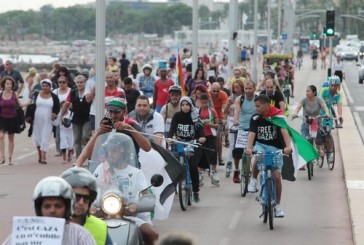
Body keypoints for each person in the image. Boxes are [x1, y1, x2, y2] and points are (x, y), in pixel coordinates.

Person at [93, 134, 158, 245]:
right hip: (103, 214)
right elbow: (92, 189)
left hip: (130, 215)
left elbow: (146, 194)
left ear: (124, 152)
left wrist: (140, 204)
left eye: (115, 150)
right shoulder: (102, 169)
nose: (111, 154)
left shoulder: (136, 173)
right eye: (109, 150)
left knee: (151, 234)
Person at [2, 176, 97, 244]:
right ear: (39, 209)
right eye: (47, 206)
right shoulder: (23, 235)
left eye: (58, 206)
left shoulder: (80, 235)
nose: (52, 210)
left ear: (67, 208)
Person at [245, 95, 292, 218]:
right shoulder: (255, 118)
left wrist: (288, 147)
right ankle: (254, 180)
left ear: (266, 105)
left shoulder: (277, 115)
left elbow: (284, 131)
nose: (256, 109)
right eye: (255, 106)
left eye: (258, 106)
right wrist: (249, 148)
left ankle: (276, 207)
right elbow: (251, 133)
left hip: (276, 148)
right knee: (258, 156)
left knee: (276, 176)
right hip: (261, 145)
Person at [76, 97, 151, 167]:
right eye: (110, 111)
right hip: (109, 169)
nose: (113, 115)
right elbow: (89, 154)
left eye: (116, 112)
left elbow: (147, 148)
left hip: (130, 167)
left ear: (124, 112)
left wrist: (130, 129)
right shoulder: (106, 124)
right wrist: (98, 133)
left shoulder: (132, 124)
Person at [60, 167, 113, 245]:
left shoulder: (99, 227)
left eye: (86, 198)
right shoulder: (51, 226)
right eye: (76, 197)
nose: (81, 202)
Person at [167, 96, 206, 202]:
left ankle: (196, 191)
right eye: (182, 105)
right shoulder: (177, 116)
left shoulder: (195, 117)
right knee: (173, 163)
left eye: (187, 105)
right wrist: (169, 137)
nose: (185, 107)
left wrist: (202, 137)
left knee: (193, 166)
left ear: (191, 106)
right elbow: (172, 129)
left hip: (193, 144)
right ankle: (174, 184)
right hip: (180, 143)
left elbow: (201, 129)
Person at [292, 85, 330, 166]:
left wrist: (327, 113)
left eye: (308, 91)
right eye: (306, 91)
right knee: (303, 141)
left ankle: (319, 149)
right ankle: (302, 163)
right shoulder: (304, 100)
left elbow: (324, 106)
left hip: (317, 123)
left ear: (314, 92)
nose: (307, 93)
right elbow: (298, 107)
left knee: (320, 135)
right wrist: (295, 113)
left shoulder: (319, 99)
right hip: (306, 123)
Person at [231, 81, 257, 183]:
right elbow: (237, 111)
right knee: (237, 150)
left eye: (250, 89)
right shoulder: (240, 99)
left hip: (253, 128)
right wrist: (235, 120)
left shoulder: (257, 99)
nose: (248, 91)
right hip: (241, 127)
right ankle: (237, 169)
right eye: (246, 89)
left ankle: (253, 170)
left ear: (254, 89)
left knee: (254, 150)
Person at [61, 75, 92, 159]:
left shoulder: (89, 92)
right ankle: (79, 158)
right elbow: (66, 103)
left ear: (85, 83)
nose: (79, 84)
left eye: (81, 82)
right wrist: (62, 115)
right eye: (78, 82)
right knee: (77, 139)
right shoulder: (73, 92)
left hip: (87, 117)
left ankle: (89, 156)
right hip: (76, 118)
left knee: (85, 137)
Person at [31, 79, 60, 164]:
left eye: (47, 86)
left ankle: (44, 157)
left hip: (48, 120)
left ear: (50, 87)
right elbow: (32, 104)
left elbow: (57, 107)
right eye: (43, 86)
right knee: (37, 138)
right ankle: (40, 155)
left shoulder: (54, 96)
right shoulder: (37, 94)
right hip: (37, 119)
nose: (45, 87)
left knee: (45, 137)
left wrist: (54, 113)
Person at [0, 76, 26, 165]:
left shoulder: (15, 94)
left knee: (11, 138)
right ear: (3, 84)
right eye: (7, 83)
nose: (9, 85)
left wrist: (29, 103)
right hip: (2, 118)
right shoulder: (0, 94)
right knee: (1, 136)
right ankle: (2, 156)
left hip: (12, 118)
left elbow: (20, 105)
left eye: (10, 84)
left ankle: (10, 158)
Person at [199, 93, 219, 186]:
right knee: (200, 154)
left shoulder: (212, 111)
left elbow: (217, 124)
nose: (204, 104)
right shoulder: (197, 111)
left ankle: (213, 171)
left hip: (210, 135)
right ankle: (200, 173)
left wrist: (210, 124)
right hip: (201, 136)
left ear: (208, 102)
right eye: (202, 103)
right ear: (200, 102)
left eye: (206, 102)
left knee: (213, 153)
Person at [210, 82, 229, 166]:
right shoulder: (208, 94)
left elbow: (224, 109)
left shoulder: (223, 95)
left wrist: (223, 119)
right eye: (214, 91)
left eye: (217, 91)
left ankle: (220, 158)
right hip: (210, 116)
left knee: (218, 138)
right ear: (211, 90)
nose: (216, 93)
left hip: (220, 116)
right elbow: (210, 107)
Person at [53, 75, 72, 156]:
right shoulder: (55, 92)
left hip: (69, 114)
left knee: (70, 133)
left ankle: (71, 149)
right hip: (58, 115)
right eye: (59, 82)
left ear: (67, 82)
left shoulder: (71, 91)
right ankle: (59, 150)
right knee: (58, 133)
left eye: (63, 82)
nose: (61, 84)